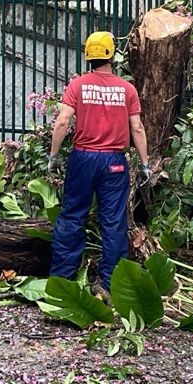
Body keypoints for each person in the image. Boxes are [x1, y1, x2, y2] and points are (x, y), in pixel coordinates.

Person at [47, 31, 151, 294]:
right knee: (113, 222)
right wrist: (146, 164)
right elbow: (137, 128)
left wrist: (54, 155)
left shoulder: (78, 85)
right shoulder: (127, 89)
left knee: (72, 217)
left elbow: (62, 121)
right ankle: (108, 285)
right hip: (115, 163)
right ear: (112, 55)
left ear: (88, 56)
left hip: (83, 158)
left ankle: (61, 283)